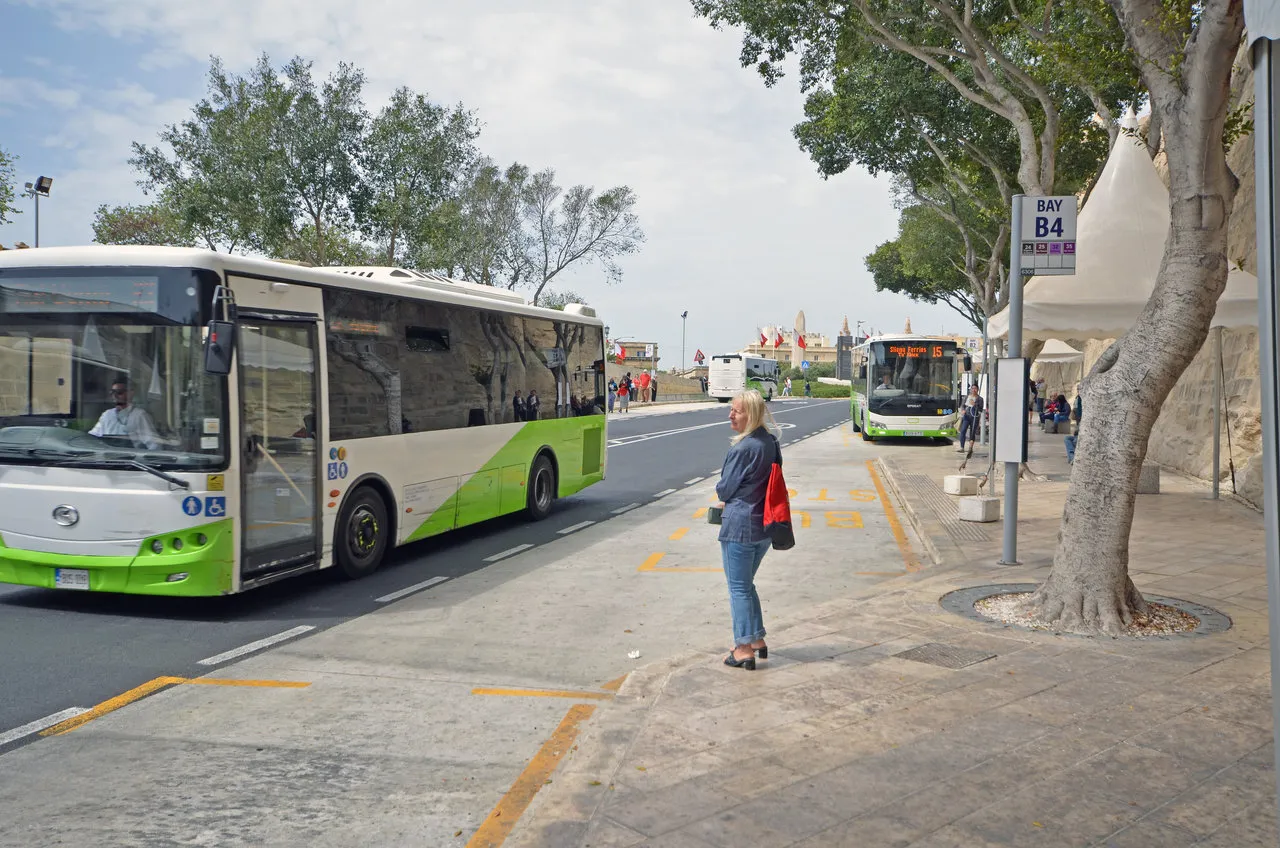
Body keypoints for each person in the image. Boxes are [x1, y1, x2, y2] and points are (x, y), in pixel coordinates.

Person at [714, 389, 779, 671]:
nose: (730, 414)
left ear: (750, 415)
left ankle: (742, 649)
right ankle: (756, 640)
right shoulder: (770, 442)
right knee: (746, 585)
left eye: (736, 411)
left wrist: (723, 492)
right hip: (764, 526)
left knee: (738, 589)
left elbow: (725, 489)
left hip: (739, 526)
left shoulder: (741, 449)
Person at [89, 377, 160, 450]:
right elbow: (93, 438)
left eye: (119, 392)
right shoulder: (107, 415)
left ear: (131, 393)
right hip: (108, 458)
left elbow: (153, 443)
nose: (115, 396)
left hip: (131, 459)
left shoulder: (139, 415)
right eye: (112, 392)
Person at [957, 384, 983, 451]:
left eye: (975, 388)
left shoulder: (980, 399)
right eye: (972, 388)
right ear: (970, 389)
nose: (974, 390)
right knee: (963, 431)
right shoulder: (966, 397)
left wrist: (975, 405)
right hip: (966, 416)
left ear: (977, 390)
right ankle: (962, 447)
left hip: (974, 418)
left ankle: (970, 448)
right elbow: (962, 405)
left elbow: (980, 409)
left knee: (972, 432)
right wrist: (962, 410)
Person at [1065, 384, 1083, 463]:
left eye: (1080, 389)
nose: (1078, 391)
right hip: (1079, 420)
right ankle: (1071, 457)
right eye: (1078, 389)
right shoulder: (1078, 398)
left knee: (1072, 439)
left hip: (1081, 420)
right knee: (1067, 438)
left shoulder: (1082, 398)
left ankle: (1072, 458)